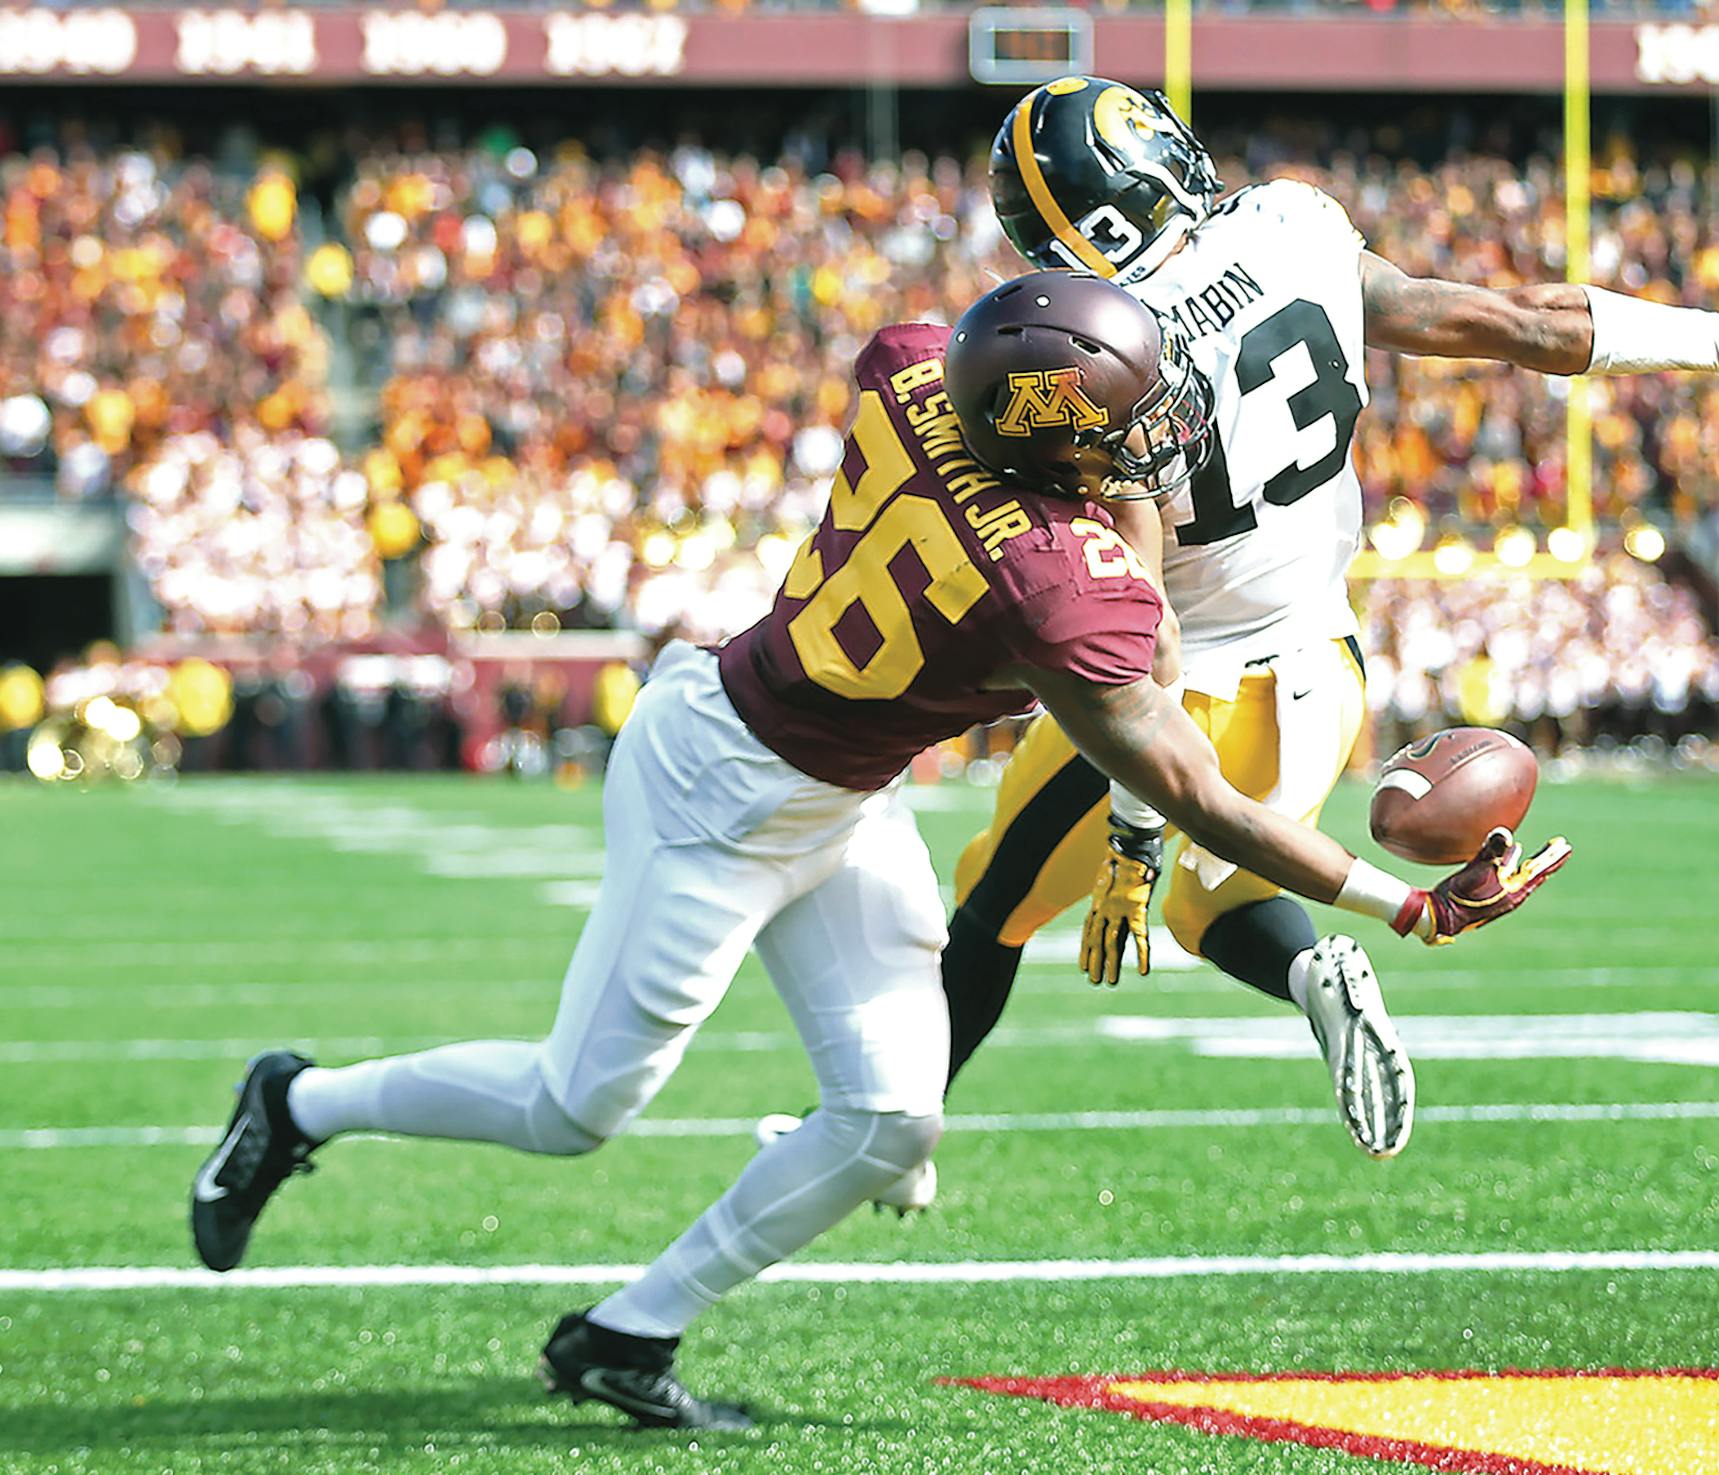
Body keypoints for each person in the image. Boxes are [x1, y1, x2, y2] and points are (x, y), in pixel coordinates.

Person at [188, 272, 1569, 1431]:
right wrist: (1402, 905)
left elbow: (999, 365)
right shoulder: (1049, 583)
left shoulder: (918, 368)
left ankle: (627, 1332)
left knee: (896, 1116)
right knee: (575, 1106)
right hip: (716, 802)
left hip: (832, 790)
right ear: (1047, 442)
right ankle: (299, 1102)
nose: (1151, 440)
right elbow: (1193, 785)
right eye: (1125, 427)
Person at [924, 76, 1719, 1169]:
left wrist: (1136, 836)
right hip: (1328, 673)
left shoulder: (1103, 347)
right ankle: (1305, 970)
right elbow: (1520, 321)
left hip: (1181, 692)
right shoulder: (1290, 223)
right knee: (1217, 897)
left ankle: (885, 1125)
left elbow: (1146, 617)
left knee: (995, 900)